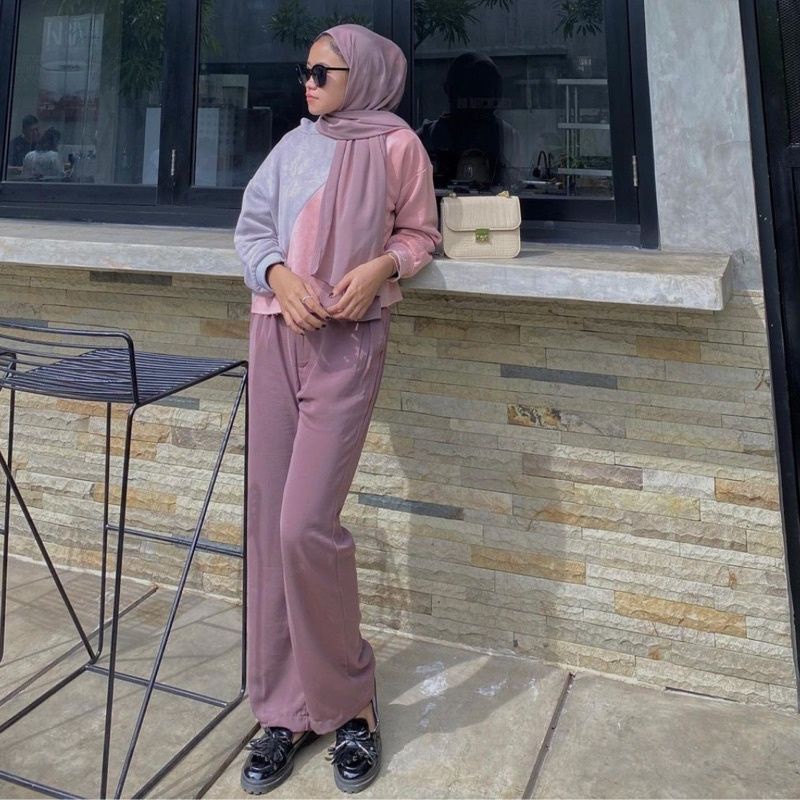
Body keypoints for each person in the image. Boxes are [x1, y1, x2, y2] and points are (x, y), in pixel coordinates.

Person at [233, 23, 441, 796]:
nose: (309, 83)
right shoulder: (293, 146)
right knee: (269, 528)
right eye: (307, 71)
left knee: (304, 526)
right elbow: (252, 228)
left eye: (325, 71)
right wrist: (278, 274)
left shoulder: (397, 146)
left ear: (369, 75)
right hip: (274, 334)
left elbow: (421, 234)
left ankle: (350, 702)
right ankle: (284, 711)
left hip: (348, 344)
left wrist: (384, 266)